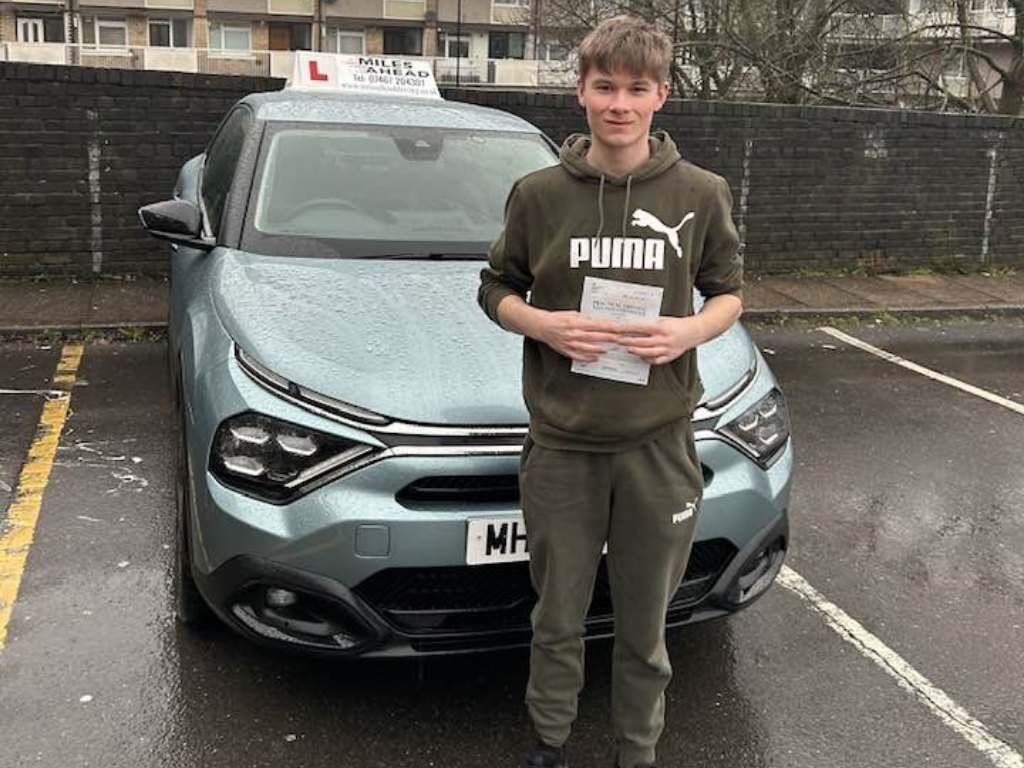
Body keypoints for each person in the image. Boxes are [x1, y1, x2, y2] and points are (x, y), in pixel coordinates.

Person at [477, 15, 744, 768]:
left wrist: (689, 333)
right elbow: (494, 285)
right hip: (563, 443)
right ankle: (550, 741)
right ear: (580, 93)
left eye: (635, 88)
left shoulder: (701, 192)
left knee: (644, 621)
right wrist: (544, 325)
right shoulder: (538, 194)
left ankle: (637, 750)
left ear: (661, 95)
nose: (618, 103)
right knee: (556, 614)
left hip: (657, 445)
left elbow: (729, 292)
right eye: (604, 87)